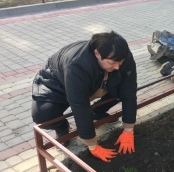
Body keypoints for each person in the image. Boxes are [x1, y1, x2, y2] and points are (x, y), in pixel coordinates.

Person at [31, 31, 137, 163]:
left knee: (121, 89)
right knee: (42, 114)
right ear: (97, 53)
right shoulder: (77, 64)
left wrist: (128, 130)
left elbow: (129, 91)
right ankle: (62, 127)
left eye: (120, 62)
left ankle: (96, 112)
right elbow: (79, 105)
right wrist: (92, 145)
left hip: (96, 80)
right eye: (112, 62)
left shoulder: (123, 56)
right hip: (57, 82)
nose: (117, 67)